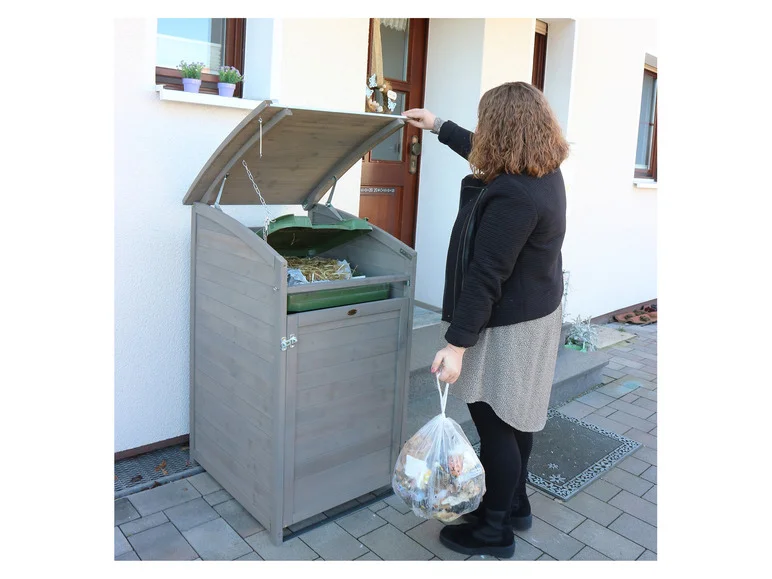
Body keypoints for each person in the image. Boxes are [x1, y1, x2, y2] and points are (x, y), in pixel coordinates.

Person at [403, 81, 568, 559]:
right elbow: (484, 152)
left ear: (502, 129)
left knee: (496, 422)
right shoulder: (542, 169)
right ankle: (514, 505)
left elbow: (486, 276)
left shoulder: (515, 195)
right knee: (518, 419)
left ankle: (495, 531)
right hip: (536, 312)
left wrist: (456, 345)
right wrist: (438, 126)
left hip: (509, 326)